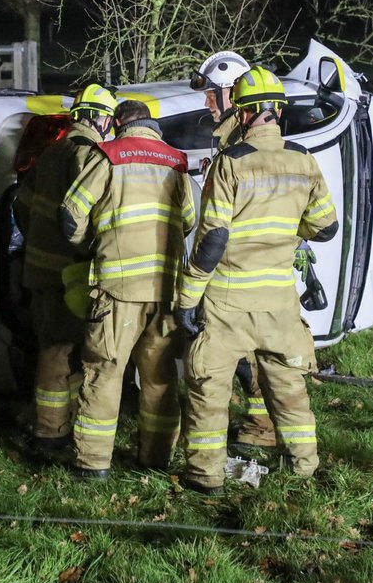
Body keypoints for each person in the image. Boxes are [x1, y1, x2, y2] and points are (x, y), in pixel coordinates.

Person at [176, 67, 339, 495]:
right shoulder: (304, 160)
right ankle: (303, 467)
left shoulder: (232, 163)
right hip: (279, 301)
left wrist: (187, 297)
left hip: (229, 300)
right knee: (287, 386)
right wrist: (285, 231)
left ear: (244, 114)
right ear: (278, 110)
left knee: (209, 388)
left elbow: (212, 240)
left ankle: (206, 478)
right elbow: (325, 228)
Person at [60, 99, 196, 479]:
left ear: (119, 122)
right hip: (165, 291)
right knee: (159, 377)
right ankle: (156, 459)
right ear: (153, 125)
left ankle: (92, 465)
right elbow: (188, 221)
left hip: (116, 290)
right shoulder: (176, 161)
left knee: (105, 372)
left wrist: (91, 241)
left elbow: (71, 215)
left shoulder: (108, 156)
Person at [15, 83, 117, 452]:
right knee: (60, 353)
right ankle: (51, 432)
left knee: (56, 349)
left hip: (40, 269)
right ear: (100, 118)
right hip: (68, 273)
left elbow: (21, 204)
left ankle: (57, 425)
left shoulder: (52, 150)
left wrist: (37, 241)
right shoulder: (86, 155)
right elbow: (84, 217)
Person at [191, 51, 278, 455]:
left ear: (232, 94)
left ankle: (263, 424)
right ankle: (259, 420)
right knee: (243, 353)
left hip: (244, 264)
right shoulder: (228, 137)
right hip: (234, 262)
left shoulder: (242, 141)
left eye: (213, 94)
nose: (208, 102)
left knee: (251, 353)